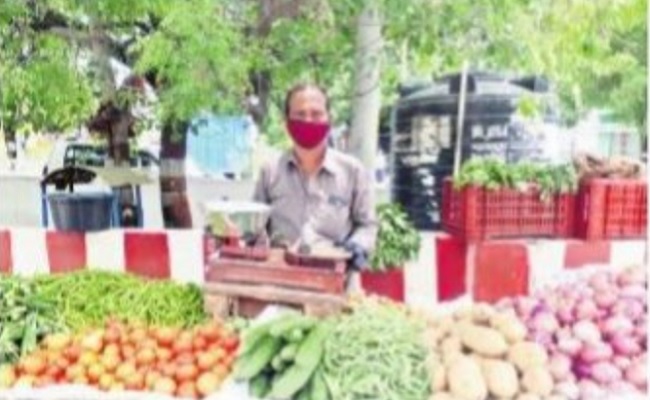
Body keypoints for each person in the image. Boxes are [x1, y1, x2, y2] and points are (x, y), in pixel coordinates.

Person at [253, 82, 377, 272]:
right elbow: (255, 227)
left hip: (336, 285)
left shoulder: (352, 172)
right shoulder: (270, 171)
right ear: (287, 121)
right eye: (300, 114)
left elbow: (367, 225)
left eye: (316, 113)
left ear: (330, 119)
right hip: (279, 282)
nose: (308, 120)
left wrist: (358, 245)